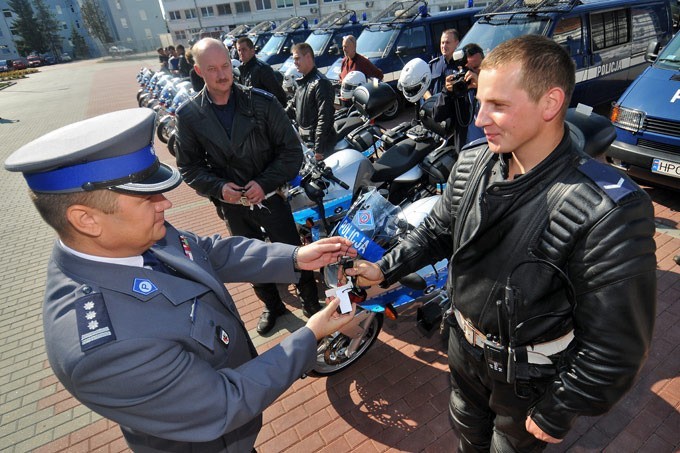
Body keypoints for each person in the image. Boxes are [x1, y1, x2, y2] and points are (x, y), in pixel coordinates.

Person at [345, 35, 656, 451]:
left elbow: (616, 347)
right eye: (480, 101)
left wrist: (560, 409)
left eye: (498, 106)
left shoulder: (608, 210)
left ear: (549, 104)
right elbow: (439, 229)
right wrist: (385, 267)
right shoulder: (473, 161)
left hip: (528, 384)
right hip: (461, 353)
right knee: (467, 441)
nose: (478, 119)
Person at [3, 107, 357, 453]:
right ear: (86, 219)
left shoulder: (125, 234)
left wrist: (294, 257)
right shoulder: (103, 349)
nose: (165, 204)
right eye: (146, 197)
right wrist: (311, 335)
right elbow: (223, 403)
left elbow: (207, 251)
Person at [175, 38, 322, 335]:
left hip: (271, 195)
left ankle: (310, 300)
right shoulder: (189, 115)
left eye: (226, 66)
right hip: (233, 205)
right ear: (198, 71)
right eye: (212, 69)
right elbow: (188, 167)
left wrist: (265, 182)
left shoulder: (262, 102)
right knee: (250, 258)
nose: (222, 74)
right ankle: (273, 306)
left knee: (292, 251)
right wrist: (218, 188)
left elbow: (292, 151)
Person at [285, 42, 336, 161]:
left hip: (319, 146)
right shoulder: (303, 82)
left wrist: (319, 149)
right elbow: (292, 108)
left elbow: (325, 117)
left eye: (297, 58)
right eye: (294, 59)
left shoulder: (321, 83)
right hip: (305, 143)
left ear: (308, 57)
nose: (295, 62)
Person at [433, 43, 485, 151]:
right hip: (467, 151)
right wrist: (447, 92)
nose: (472, 73)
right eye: (468, 69)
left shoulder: (494, 86)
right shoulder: (459, 88)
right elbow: (437, 116)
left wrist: (482, 86)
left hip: (490, 150)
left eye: (476, 68)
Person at [236, 37, 288, 105]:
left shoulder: (262, 69)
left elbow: (278, 95)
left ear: (252, 51)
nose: (241, 53)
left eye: (244, 50)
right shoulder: (242, 70)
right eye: (239, 50)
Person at [424, 29, 460, 100]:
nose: (444, 46)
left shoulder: (462, 64)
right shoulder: (433, 65)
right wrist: (431, 101)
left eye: (447, 42)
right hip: (437, 108)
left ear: (457, 43)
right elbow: (424, 88)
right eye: (442, 43)